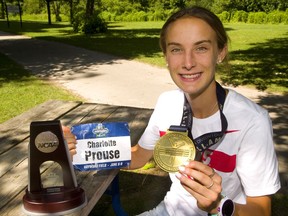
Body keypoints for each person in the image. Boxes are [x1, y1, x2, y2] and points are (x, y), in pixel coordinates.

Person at [66, 6, 281, 216]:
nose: (188, 63)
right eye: (176, 49)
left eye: (201, 48)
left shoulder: (253, 120)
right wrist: (80, 147)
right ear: (166, 56)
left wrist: (218, 205)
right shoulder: (167, 103)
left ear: (220, 52)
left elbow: (262, 210)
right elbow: (139, 156)